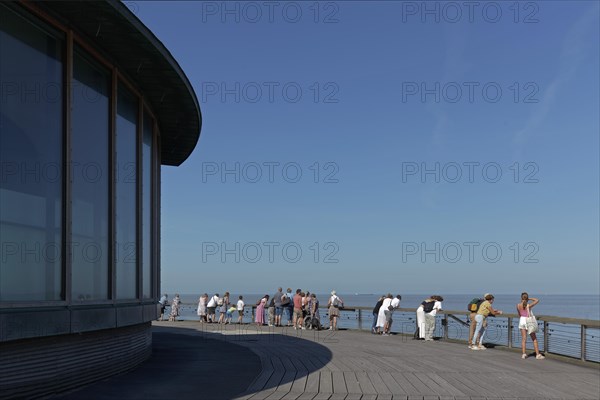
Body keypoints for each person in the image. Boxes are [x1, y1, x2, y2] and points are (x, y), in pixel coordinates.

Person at [517, 292, 545, 359]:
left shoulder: (518, 305)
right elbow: (537, 300)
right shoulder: (528, 305)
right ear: (526, 298)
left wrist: (525, 299)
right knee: (534, 339)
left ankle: (523, 354)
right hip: (528, 321)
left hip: (522, 321)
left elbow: (519, 314)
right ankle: (537, 355)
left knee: (524, 339)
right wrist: (529, 298)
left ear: (521, 298)